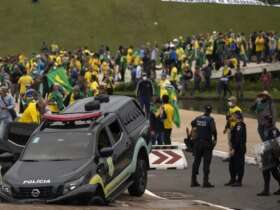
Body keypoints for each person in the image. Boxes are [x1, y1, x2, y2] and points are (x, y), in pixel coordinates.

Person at [191, 104, 217, 188]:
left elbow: (192, 123)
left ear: (204, 110)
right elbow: (213, 130)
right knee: (206, 162)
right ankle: (205, 182)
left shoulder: (198, 118)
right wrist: (215, 139)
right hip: (207, 143)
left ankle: (193, 180)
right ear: (210, 111)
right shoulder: (210, 119)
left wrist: (196, 129)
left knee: (196, 162)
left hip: (198, 143)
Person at [256, 116, 280, 196]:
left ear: (268, 121)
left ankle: (266, 190)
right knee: (266, 171)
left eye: (265, 120)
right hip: (267, 153)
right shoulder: (266, 129)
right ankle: (266, 190)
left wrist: (274, 155)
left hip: (272, 155)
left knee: (274, 173)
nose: (263, 122)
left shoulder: (273, 130)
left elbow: (275, 143)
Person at [225, 111, 246, 187]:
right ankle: (232, 179)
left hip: (239, 148)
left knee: (239, 164)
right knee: (232, 164)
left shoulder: (240, 125)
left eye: (233, 116)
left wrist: (234, 148)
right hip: (235, 147)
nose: (232, 117)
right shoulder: (236, 125)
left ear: (237, 116)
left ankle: (239, 181)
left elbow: (238, 138)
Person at [223, 96, 242, 161]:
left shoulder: (237, 110)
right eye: (229, 101)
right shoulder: (230, 109)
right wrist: (226, 128)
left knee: (235, 143)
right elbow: (228, 119)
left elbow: (238, 119)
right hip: (230, 128)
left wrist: (230, 117)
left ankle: (235, 156)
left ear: (234, 102)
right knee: (230, 142)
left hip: (236, 129)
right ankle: (230, 156)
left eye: (230, 101)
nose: (229, 102)